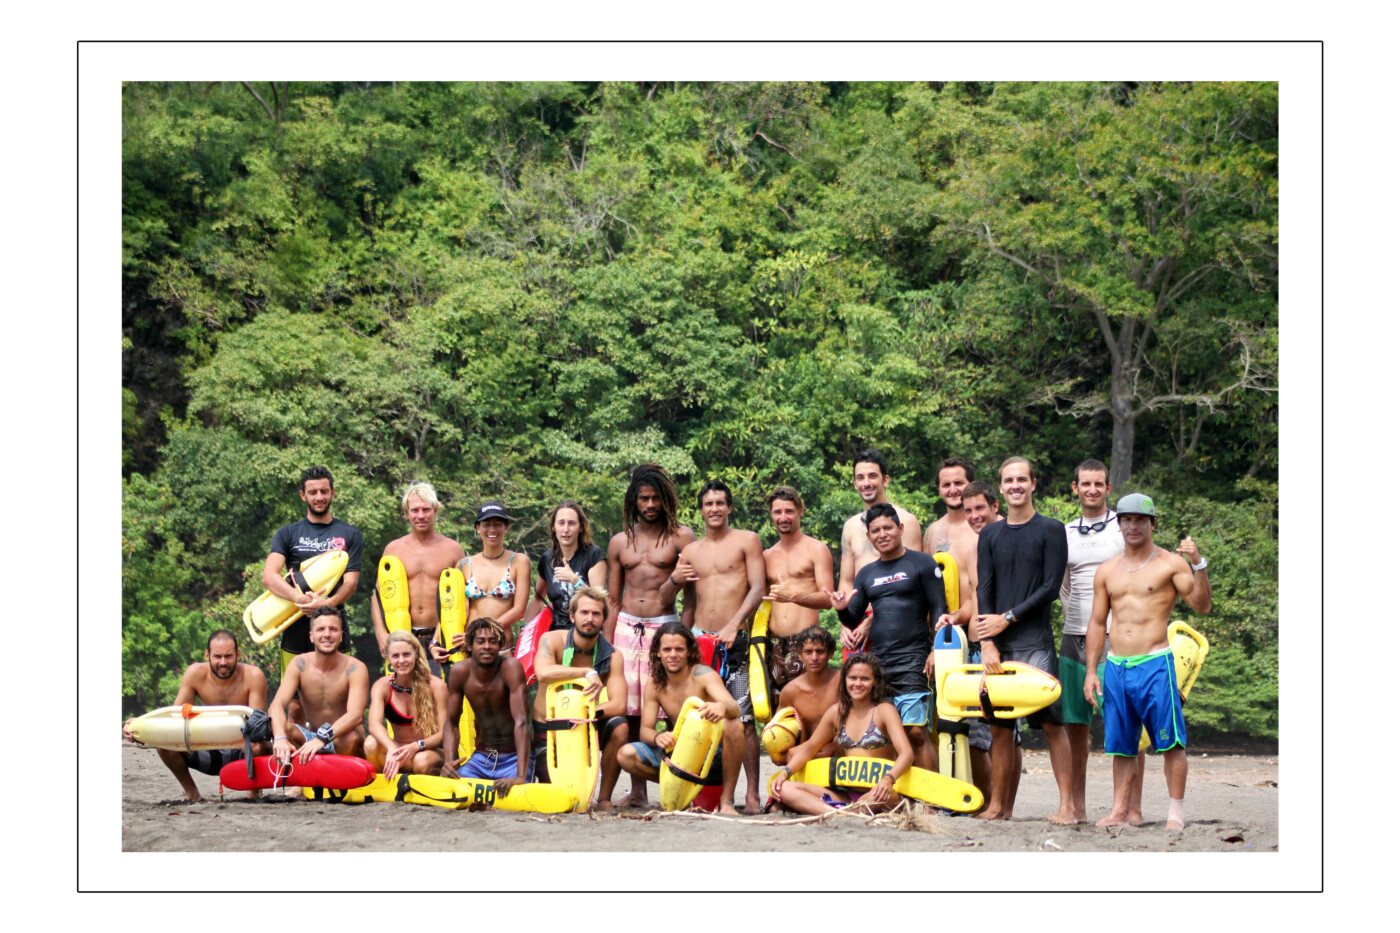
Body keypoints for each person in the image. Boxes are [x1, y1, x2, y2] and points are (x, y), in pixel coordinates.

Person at [1084, 493, 1212, 831]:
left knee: (1170, 742)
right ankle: (1119, 811)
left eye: (1141, 519)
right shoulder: (1107, 571)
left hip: (1155, 663)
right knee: (1121, 745)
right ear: (1119, 524)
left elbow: (1201, 605)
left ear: (1153, 524)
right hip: (1116, 666)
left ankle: (1175, 812)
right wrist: (1091, 671)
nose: (1133, 526)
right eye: (1126, 519)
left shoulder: (1171, 563)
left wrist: (1198, 564)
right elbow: (1097, 623)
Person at [972, 457, 1071, 822]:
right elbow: (984, 587)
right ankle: (998, 806)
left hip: (1035, 641)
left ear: (1033, 484)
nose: (1015, 485)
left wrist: (1008, 618)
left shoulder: (1051, 529)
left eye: (1021, 479)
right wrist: (986, 641)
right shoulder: (990, 535)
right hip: (998, 644)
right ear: (1000, 488)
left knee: (1050, 724)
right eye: (1008, 480)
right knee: (999, 727)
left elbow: (1050, 587)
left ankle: (1067, 807)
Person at [825, 502, 943, 772]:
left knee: (915, 733)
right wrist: (842, 610)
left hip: (915, 661)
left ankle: (928, 801)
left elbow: (939, 609)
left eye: (888, 527)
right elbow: (854, 619)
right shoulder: (867, 573)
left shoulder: (922, 563)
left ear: (900, 528)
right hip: (878, 665)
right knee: (886, 734)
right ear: (868, 536)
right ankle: (896, 797)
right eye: (875, 530)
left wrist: (937, 650)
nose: (882, 534)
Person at [672, 479, 767, 812]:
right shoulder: (691, 551)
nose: (714, 509)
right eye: (708, 504)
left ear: (729, 507)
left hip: (736, 642)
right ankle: (696, 792)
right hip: (698, 642)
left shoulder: (746, 541)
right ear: (700, 510)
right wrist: (680, 640)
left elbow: (758, 588)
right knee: (696, 715)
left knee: (742, 718)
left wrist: (735, 624)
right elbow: (687, 601)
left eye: (719, 503)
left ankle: (751, 794)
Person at [605, 463, 697, 807]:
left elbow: (690, 597)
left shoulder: (681, 537)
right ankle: (639, 790)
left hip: (666, 626)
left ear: (666, 499)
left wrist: (685, 636)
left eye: (656, 498)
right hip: (627, 628)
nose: (650, 504)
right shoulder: (620, 541)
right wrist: (609, 644)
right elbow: (612, 599)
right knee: (631, 710)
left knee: (674, 705)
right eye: (644, 498)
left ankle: (681, 783)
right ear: (634, 500)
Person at [122, 630, 269, 802]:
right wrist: (140, 725)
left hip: (242, 751)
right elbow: (174, 718)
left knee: (258, 746)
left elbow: (258, 727)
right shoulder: (194, 674)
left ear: (238, 654)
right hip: (206, 747)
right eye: (217, 656)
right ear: (207, 655)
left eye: (228, 656)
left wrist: (248, 741)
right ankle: (192, 793)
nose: (223, 662)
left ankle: (252, 792)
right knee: (165, 745)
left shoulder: (254, 676)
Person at [616, 623, 744, 816]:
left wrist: (722, 707)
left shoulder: (702, 674)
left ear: (688, 652)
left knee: (733, 724)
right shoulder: (655, 684)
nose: (673, 654)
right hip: (680, 756)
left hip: (712, 759)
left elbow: (735, 709)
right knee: (625, 754)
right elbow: (645, 731)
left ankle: (727, 802)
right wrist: (658, 737)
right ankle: (679, 788)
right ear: (658, 652)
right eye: (667, 649)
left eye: (679, 649)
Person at [1058, 459, 1124, 822]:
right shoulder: (1065, 532)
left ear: (1108, 488)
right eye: (1086, 484)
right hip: (1074, 636)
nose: (1092, 490)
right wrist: (1078, 620)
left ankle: (1127, 807)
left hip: (1117, 637)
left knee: (1122, 724)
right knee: (1075, 727)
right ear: (1075, 487)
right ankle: (1076, 806)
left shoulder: (1123, 528)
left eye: (1099, 484)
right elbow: (1063, 584)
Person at [770, 653, 914, 815]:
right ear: (845, 680)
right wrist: (786, 772)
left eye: (865, 679)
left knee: (878, 797)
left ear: (875, 682)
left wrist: (888, 780)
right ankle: (839, 814)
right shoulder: (836, 712)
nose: (857, 684)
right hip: (845, 794)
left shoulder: (884, 710)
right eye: (852, 678)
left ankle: (838, 812)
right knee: (786, 788)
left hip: (880, 793)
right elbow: (809, 748)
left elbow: (906, 753)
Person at [260, 465, 364, 681]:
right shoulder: (288, 534)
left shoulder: (350, 534)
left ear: (333, 493)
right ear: (302, 495)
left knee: (339, 692)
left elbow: (350, 584)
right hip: (295, 621)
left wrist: (327, 603)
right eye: (313, 492)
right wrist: (300, 599)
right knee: (295, 701)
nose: (319, 497)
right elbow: (269, 577)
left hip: (333, 623)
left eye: (324, 491)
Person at [934, 479, 1003, 799]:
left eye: (979, 508)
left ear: (994, 506)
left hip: (1001, 647)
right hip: (971, 649)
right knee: (973, 737)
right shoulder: (965, 547)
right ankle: (983, 804)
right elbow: (970, 603)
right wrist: (954, 618)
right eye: (968, 510)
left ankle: (999, 805)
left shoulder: (1007, 540)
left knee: (1002, 734)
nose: (974, 515)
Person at [531, 585, 629, 809]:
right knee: (561, 798)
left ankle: (604, 798)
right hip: (550, 724)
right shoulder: (552, 640)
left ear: (604, 619)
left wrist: (584, 716)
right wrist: (586, 672)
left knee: (620, 727)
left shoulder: (613, 655)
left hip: (587, 721)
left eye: (596, 613)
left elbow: (619, 704)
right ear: (572, 615)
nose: (590, 618)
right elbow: (544, 673)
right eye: (584, 612)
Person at [373, 482, 465, 676]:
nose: (421, 515)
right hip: (402, 634)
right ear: (407, 513)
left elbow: (460, 599)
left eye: (426, 510)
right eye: (415, 510)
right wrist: (382, 634)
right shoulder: (394, 549)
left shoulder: (453, 549)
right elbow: (378, 596)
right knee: (402, 697)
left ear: (436, 511)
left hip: (441, 635)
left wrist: (438, 639)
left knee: (442, 696)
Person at [838, 448, 923, 657]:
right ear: (855, 483)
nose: (866, 482)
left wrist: (870, 622)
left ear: (885, 480)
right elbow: (846, 581)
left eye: (872, 476)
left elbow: (913, 579)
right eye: (860, 477)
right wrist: (844, 623)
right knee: (857, 686)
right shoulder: (850, 527)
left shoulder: (906, 522)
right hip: (855, 623)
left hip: (896, 619)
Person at [441, 617, 531, 796]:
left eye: (492, 642)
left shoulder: (511, 668)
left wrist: (520, 775)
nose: (487, 646)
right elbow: (451, 722)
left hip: (514, 757)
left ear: (500, 645)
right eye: (480, 642)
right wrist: (449, 763)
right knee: (455, 793)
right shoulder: (459, 672)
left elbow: (522, 721)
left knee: (517, 797)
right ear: (470, 645)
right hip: (483, 758)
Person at [268, 608, 369, 767]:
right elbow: (276, 705)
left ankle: (348, 783)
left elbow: (356, 715)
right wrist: (280, 738)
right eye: (321, 629)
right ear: (311, 636)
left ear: (341, 636)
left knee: (352, 739)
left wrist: (322, 738)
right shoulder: (299, 664)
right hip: (311, 737)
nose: (327, 634)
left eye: (333, 629)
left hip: (341, 739)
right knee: (282, 728)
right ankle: (301, 779)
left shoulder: (355, 668)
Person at [762, 486, 834, 693]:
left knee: (809, 704)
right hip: (773, 643)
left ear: (800, 511)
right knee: (777, 710)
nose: (783, 517)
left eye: (789, 511)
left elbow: (828, 599)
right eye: (778, 512)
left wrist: (793, 596)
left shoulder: (816, 549)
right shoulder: (768, 555)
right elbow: (760, 600)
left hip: (806, 643)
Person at [364, 631, 448, 780]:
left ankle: (421, 779)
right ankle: (386, 782)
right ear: (388, 658)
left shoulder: (436, 686)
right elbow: (374, 724)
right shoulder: (382, 686)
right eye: (395, 656)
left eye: (406, 654)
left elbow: (443, 734)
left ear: (416, 653)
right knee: (370, 744)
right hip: (397, 751)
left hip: (426, 751)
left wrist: (416, 746)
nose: (401, 660)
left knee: (421, 761)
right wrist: (391, 748)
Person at [450, 503, 530, 651]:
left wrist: (483, 631)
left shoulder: (519, 561)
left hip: (502, 646)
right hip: (470, 646)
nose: (492, 530)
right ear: (477, 528)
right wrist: (435, 642)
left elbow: (519, 610)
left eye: (498, 524)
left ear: (506, 528)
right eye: (486, 524)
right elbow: (451, 608)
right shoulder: (464, 565)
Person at [771, 626, 842, 763]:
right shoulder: (790, 691)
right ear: (799, 654)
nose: (814, 657)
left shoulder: (844, 682)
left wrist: (833, 746)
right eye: (808, 652)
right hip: (807, 759)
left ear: (830, 653)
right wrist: (779, 751)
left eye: (820, 651)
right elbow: (778, 731)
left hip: (841, 756)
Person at [535, 501, 608, 633]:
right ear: (553, 527)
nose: (566, 529)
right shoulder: (547, 558)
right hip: (556, 629)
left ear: (581, 527)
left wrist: (575, 581)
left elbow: (599, 601)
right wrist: (526, 627)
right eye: (561, 523)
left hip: (586, 629)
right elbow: (537, 598)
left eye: (572, 523)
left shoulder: (593, 555)